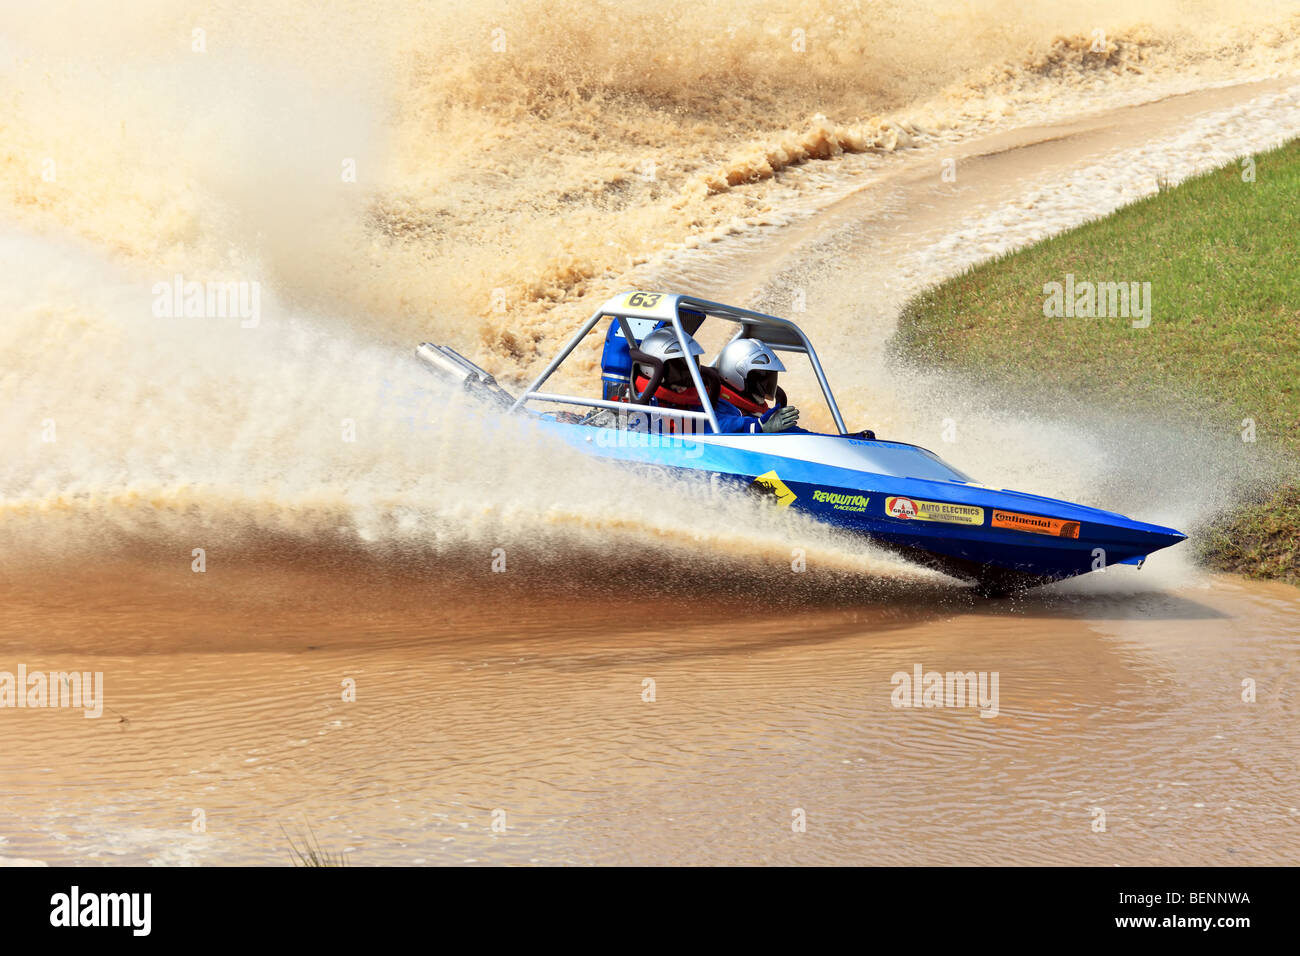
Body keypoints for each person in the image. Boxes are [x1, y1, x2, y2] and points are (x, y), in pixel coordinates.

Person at [711, 337, 802, 434]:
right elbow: (709, 427)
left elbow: (794, 432)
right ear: (736, 374)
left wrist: (817, 437)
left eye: (769, 376)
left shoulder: (762, 415)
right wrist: (757, 426)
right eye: (760, 376)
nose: (766, 384)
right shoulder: (712, 404)